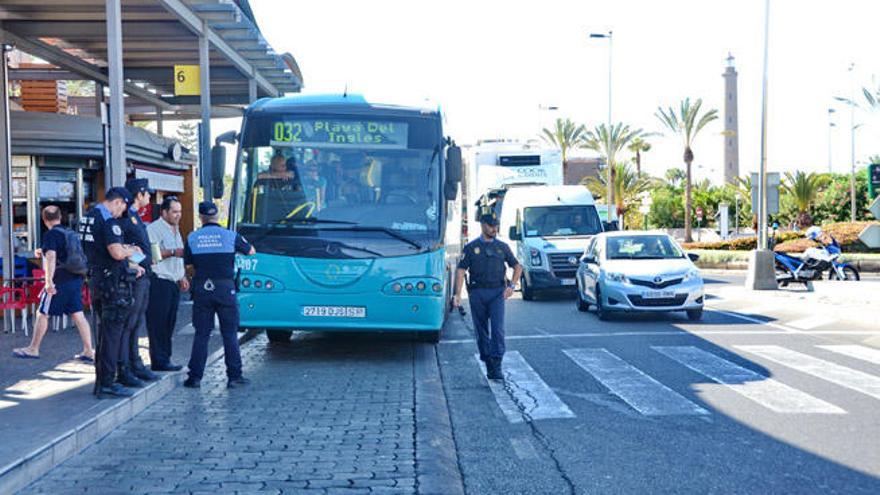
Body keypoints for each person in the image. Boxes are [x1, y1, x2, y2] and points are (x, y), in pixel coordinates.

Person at [78, 187, 145, 399]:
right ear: (117, 202)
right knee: (111, 336)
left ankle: (101, 382)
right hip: (112, 285)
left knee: (103, 333)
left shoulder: (87, 218)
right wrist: (130, 250)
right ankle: (107, 383)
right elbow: (115, 253)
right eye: (123, 207)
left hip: (96, 280)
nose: (122, 212)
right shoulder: (108, 222)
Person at [183, 201, 255, 389]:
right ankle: (234, 377)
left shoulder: (192, 237)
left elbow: (189, 266)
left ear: (201, 217)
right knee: (229, 334)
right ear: (216, 216)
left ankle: (195, 378)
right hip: (226, 289)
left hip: (202, 290)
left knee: (202, 334)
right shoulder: (231, 236)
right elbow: (251, 251)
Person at [13, 206, 95, 362]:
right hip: (76, 278)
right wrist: (42, 250)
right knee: (78, 314)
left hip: (60, 279)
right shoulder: (69, 232)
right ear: (60, 217)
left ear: (44, 220)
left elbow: (51, 256)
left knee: (43, 312)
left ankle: (33, 349)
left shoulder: (51, 234)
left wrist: (48, 281)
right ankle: (88, 350)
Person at [452, 212, 522, 381]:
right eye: (491, 226)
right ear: (483, 225)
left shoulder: (502, 247)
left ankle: (497, 363)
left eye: (496, 226)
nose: (494, 229)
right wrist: (457, 294)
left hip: (497, 293)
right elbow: (461, 271)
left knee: (498, 329)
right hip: (477, 293)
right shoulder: (471, 248)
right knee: (481, 331)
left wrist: (512, 286)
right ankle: (488, 360)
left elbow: (517, 266)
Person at [116, 178, 160, 387]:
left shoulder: (135, 217)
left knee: (136, 323)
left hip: (143, 276)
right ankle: (126, 367)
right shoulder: (126, 218)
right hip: (134, 278)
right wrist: (134, 263)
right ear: (139, 194)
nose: (149, 197)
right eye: (147, 193)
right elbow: (121, 248)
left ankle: (135, 364)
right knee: (129, 324)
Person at [146, 196, 189, 372]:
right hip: (159, 281)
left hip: (173, 282)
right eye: (174, 212)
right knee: (158, 323)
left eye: (179, 212)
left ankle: (166, 358)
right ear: (164, 212)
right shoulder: (154, 229)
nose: (178, 215)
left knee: (169, 322)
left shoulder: (175, 229)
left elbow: (180, 258)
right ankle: (159, 360)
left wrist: (182, 276)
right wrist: (172, 252)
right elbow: (154, 255)